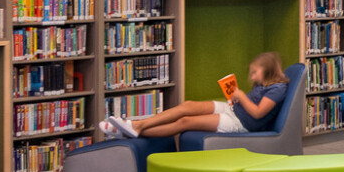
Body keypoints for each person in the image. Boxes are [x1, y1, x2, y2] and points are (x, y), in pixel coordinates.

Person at [101, 51, 288, 139]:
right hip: (233, 109)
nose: (252, 76)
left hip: (241, 124)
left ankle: (133, 132)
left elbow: (257, 113)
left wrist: (242, 95)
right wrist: (237, 98)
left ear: (268, 70)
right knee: (188, 106)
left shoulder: (277, 89)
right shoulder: (265, 83)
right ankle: (136, 125)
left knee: (185, 122)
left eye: (255, 72)